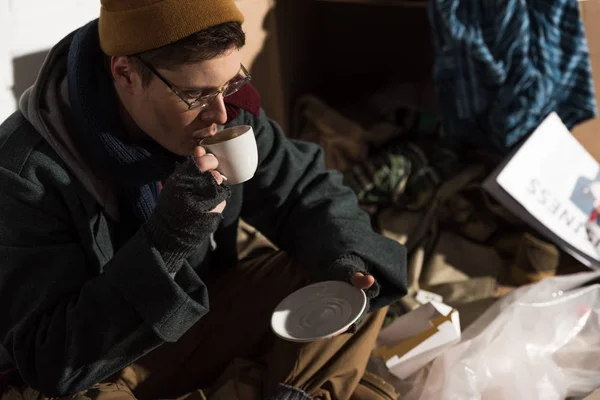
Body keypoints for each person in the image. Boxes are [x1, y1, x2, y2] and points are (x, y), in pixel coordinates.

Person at [0, 0, 407, 399]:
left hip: (193, 323)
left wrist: (345, 266)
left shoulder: (226, 109)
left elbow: (303, 190)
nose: (221, 115)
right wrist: (167, 240)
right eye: (195, 96)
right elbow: (49, 360)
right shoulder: (26, 172)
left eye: (230, 84)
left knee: (345, 275)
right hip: (96, 367)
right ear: (124, 73)